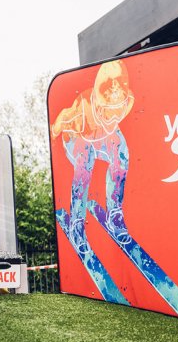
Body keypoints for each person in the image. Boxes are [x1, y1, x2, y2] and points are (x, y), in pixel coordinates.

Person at [50, 59, 135, 254]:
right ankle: (77, 225)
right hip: (78, 137)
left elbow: (115, 117)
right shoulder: (81, 111)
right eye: (108, 113)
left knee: (121, 154)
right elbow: (61, 119)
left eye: (117, 113)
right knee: (85, 164)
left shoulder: (127, 100)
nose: (113, 117)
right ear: (99, 104)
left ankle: (115, 213)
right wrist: (53, 132)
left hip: (103, 138)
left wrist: (113, 118)